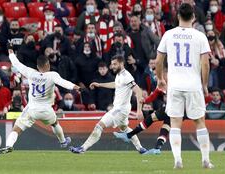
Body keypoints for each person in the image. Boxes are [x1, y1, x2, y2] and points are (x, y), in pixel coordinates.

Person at [154, 3, 213, 168]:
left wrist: (160, 79)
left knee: (175, 123)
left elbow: (159, 60)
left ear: (178, 16)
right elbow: (206, 64)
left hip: (175, 85)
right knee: (200, 121)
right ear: (193, 17)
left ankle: (177, 160)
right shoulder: (200, 36)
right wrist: (205, 84)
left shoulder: (168, 34)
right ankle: (205, 160)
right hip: (193, 85)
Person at [0, 47, 80, 154]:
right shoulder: (52, 75)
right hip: (46, 110)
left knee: (16, 129)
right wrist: (75, 86)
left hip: (32, 109)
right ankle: (63, 141)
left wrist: (11, 54)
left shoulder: (31, 73)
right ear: (48, 65)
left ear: (37, 66)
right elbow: (63, 82)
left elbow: (17, 65)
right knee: (55, 123)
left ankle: (8, 146)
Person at [69, 55, 147, 154]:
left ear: (121, 64)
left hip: (120, 110)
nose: (112, 66)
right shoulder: (119, 75)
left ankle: (82, 148)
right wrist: (99, 84)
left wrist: (139, 111)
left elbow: (138, 91)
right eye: (112, 64)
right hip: (122, 109)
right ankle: (140, 148)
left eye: (115, 64)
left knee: (99, 125)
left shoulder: (126, 76)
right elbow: (116, 84)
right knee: (124, 128)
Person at [113, 87, 170, 155]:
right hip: (179, 110)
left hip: (169, 107)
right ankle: (157, 148)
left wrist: (145, 101)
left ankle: (129, 135)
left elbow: (156, 93)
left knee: (150, 119)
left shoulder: (164, 81)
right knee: (166, 127)